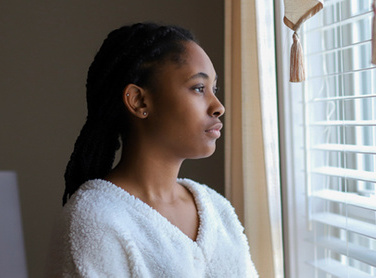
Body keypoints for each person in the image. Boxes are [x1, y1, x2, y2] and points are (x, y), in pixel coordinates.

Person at [46, 22, 258, 278]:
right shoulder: (95, 220)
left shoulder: (217, 209)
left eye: (214, 89)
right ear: (139, 101)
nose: (218, 106)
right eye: (199, 88)